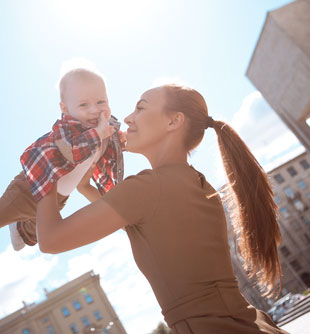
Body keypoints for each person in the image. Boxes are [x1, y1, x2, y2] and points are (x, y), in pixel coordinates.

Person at [35, 84, 288, 333]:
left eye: (141, 108)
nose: (127, 118)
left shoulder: (147, 187)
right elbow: (154, 233)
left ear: (173, 121)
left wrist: (47, 165)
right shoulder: (196, 181)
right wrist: (86, 189)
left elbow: (50, 240)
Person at [0, 68, 123, 256]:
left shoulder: (105, 127)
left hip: (58, 195)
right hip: (32, 184)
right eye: (83, 105)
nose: (94, 110)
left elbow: (110, 145)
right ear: (66, 110)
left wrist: (120, 141)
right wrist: (98, 133)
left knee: (34, 231)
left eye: (101, 101)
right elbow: (71, 152)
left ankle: (19, 228)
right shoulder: (66, 129)